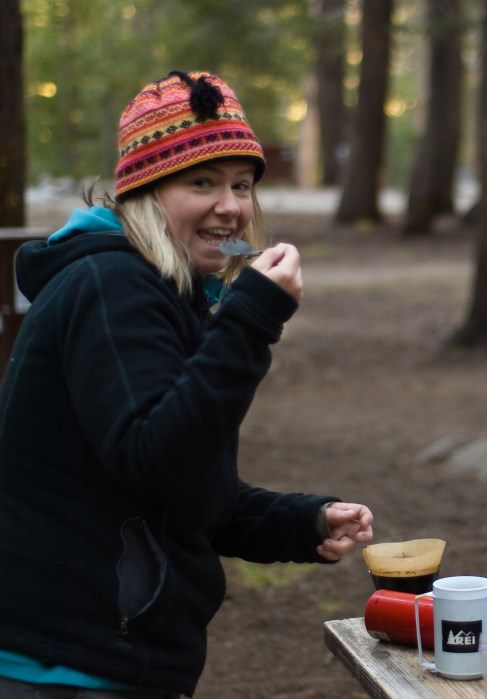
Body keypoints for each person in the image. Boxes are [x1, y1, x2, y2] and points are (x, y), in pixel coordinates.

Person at [0, 71, 374, 698]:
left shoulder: (170, 295)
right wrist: (251, 320)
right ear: (146, 192)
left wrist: (298, 522)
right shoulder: (112, 287)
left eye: (242, 185)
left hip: (109, 653)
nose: (230, 206)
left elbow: (182, 487)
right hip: (64, 662)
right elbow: (156, 461)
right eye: (201, 182)